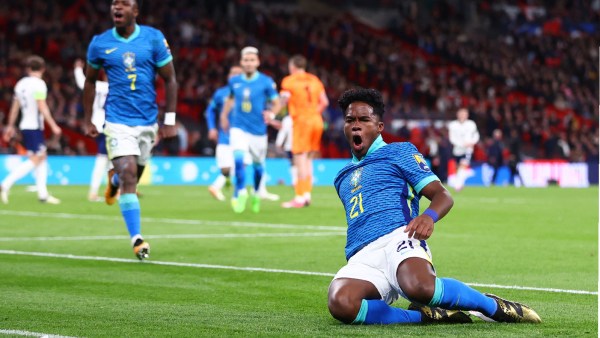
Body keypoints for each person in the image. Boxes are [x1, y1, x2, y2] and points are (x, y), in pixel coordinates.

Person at [327, 88, 541, 325]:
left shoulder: (399, 152)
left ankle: (492, 306)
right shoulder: (341, 176)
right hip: (362, 255)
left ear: (379, 127)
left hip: (400, 237)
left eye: (364, 119)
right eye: (350, 120)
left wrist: (428, 217)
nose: (356, 125)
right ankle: (424, 316)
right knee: (341, 303)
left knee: (419, 287)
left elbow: (442, 195)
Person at [82, 0, 178, 260]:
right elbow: (89, 81)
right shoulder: (100, 43)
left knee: (131, 174)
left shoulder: (154, 38)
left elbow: (170, 79)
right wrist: (89, 118)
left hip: (147, 122)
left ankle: (113, 183)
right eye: (114, 3)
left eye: (124, 3)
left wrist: (169, 119)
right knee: (129, 175)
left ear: (135, 11)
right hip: (117, 120)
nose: (117, 7)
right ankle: (137, 239)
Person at [220, 46, 282, 214]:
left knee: (258, 167)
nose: (248, 63)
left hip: (258, 130)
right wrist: (224, 115)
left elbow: (277, 102)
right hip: (238, 127)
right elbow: (230, 99)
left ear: (257, 62)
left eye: (252, 60)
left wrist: (272, 113)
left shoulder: (266, 82)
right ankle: (240, 192)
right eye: (246, 60)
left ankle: (255, 192)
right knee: (238, 158)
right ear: (241, 62)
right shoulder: (234, 81)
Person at [0, 55, 62, 205]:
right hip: (34, 126)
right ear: (43, 69)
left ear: (28, 69)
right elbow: (42, 106)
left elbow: (15, 108)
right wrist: (53, 125)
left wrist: (10, 126)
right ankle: (5, 184)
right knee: (37, 158)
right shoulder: (39, 84)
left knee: (41, 157)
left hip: (24, 125)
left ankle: (43, 195)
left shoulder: (20, 84)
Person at [278, 55, 329, 208]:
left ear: (292, 67)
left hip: (301, 121)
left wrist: (273, 114)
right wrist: (314, 113)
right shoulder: (314, 80)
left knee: (299, 158)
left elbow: (283, 101)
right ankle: (307, 195)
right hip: (316, 121)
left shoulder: (289, 81)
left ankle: (299, 197)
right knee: (308, 159)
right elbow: (324, 102)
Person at [74, 59, 110, 202]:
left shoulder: (97, 86)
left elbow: (81, 82)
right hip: (109, 126)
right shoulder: (118, 87)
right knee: (104, 160)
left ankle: (112, 190)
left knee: (109, 160)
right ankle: (94, 192)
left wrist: (77, 69)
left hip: (96, 125)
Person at [206, 65, 243, 201]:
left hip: (243, 135)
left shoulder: (247, 93)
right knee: (226, 168)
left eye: (238, 74)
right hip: (225, 136)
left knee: (240, 163)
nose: (234, 76)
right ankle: (222, 184)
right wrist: (211, 128)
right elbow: (210, 111)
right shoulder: (220, 93)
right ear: (228, 76)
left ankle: (236, 193)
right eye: (232, 73)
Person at [448, 108, 480, 191]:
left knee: (463, 165)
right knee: (458, 167)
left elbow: (476, 135)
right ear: (457, 115)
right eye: (461, 114)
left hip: (468, 149)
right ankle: (459, 183)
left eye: (464, 114)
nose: (462, 116)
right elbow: (452, 138)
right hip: (457, 150)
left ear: (467, 115)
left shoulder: (471, 124)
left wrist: (472, 142)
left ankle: (458, 185)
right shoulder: (453, 125)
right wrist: (462, 144)